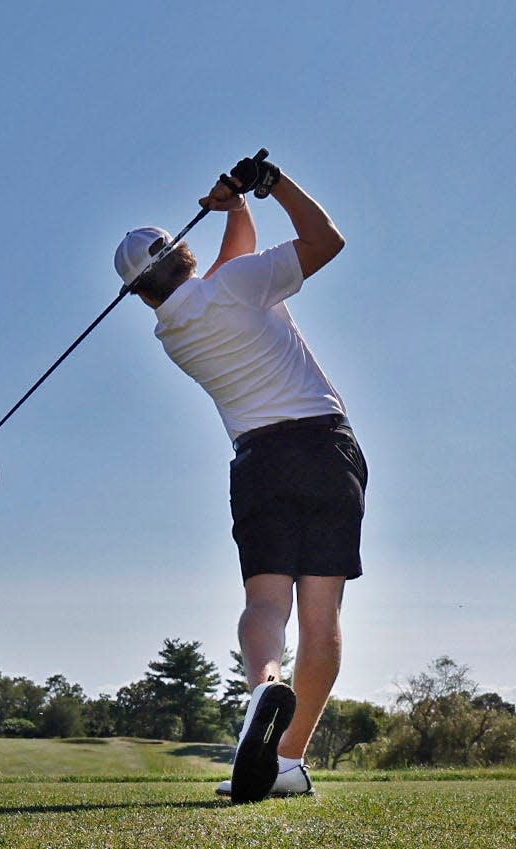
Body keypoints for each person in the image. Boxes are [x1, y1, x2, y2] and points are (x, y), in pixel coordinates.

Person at [113, 153, 366, 803]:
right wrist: (271, 184)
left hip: (257, 462)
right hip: (323, 445)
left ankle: (264, 687)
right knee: (321, 616)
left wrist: (238, 206)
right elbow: (326, 241)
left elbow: (231, 264)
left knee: (265, 605)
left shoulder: (174, 331)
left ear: (140, 293)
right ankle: (287, 756)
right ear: (184, 257)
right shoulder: (235, 285)